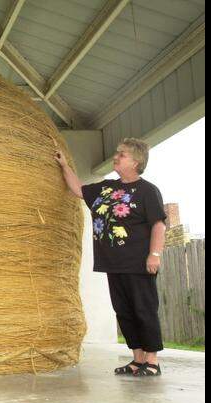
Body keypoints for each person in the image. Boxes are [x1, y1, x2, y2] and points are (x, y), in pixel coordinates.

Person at [56, 137, 167, 377]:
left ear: (136, 162)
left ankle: (152, 360)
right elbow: (78, 190)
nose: (116, 157)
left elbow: (159, 225)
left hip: (138, 263)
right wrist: (64, 166)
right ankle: (137, 359)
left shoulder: (147, 191)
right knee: (124, 311)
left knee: (144, 310)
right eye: (117, 153)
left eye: (122, 154)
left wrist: (154, 254)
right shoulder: (106, 188)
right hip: (113, 263)